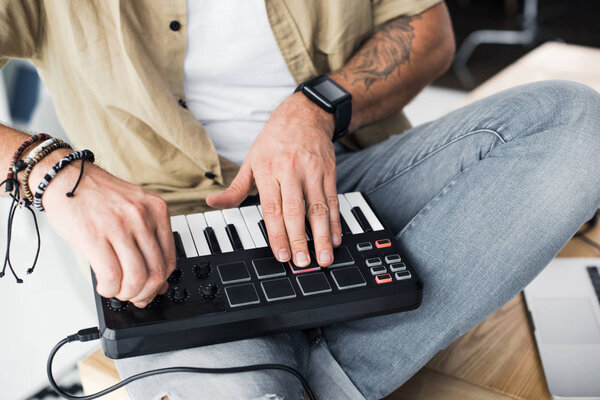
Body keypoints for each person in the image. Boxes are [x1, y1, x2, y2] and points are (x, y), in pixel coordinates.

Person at [1, 1, 599, 399]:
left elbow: (428, 29)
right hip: (173, 225)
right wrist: (45, 166)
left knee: (576, 123)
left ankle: (312, 370)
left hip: (350, 178)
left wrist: (316, 108)